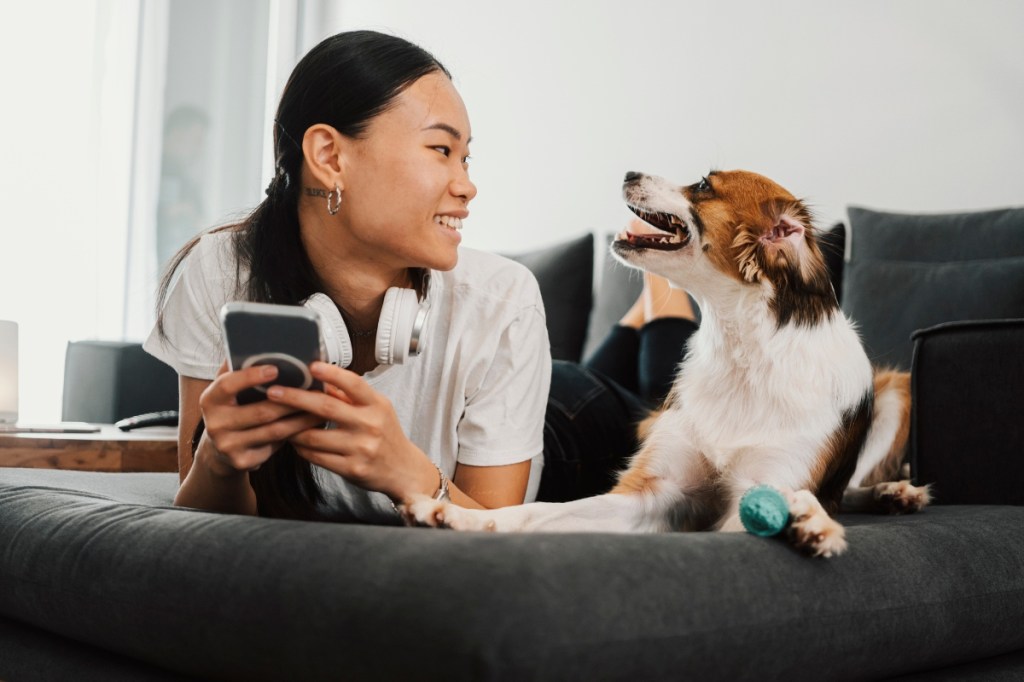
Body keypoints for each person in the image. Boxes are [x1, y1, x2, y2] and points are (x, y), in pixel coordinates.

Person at [147, 30, 697, 522]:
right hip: (510, 395)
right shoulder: (218, 271)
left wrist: (405, 471)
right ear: (329, 156)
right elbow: (202, 518)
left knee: (668, 416)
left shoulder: (502, 299)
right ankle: (645, 311)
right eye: (441, 150)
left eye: (466, 159)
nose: (467, 186)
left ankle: (663, 298)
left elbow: (492, 539)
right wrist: (218, 460)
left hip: (572, 424)